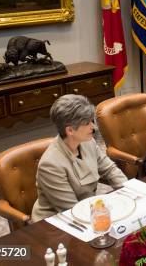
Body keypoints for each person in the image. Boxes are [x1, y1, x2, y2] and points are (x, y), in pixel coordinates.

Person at [32, 94, 127, 222]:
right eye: (87, 123)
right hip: (57, 222)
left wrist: (128, 192)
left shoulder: (88, 142)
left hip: (87, 210)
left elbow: (110, 170)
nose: (93, 127)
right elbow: (70, 208)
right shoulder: (50, 164)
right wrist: (103, 214)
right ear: (70, 130)